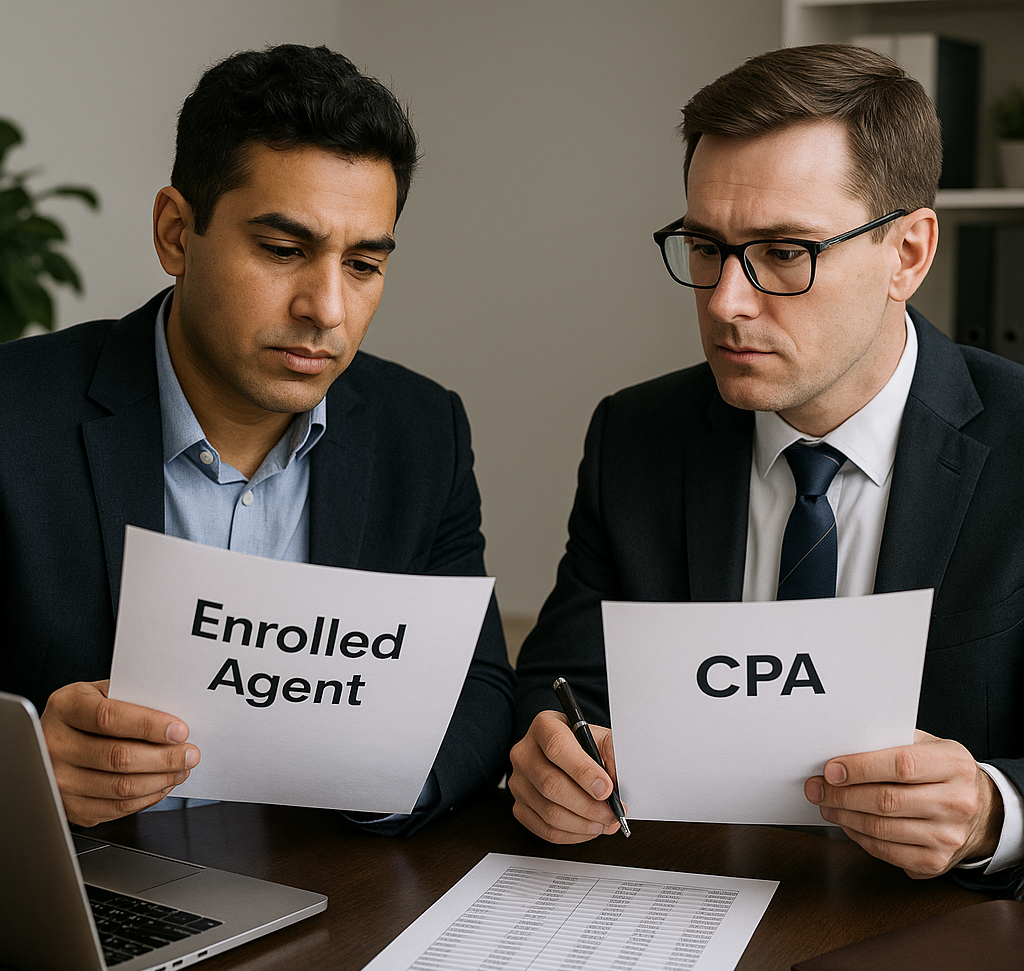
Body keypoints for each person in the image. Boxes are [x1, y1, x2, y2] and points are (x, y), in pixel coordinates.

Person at [510, 44, 1024, 897]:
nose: (725, 303)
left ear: (908, 253)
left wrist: (992, 814)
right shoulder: (637, 436)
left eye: (785, 252)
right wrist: (552, 755)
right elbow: (562, 681)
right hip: (676, 905)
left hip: (940, 936)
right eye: (706, 247)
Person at [0, 43, 515, 834]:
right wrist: (23, 765)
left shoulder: (423, 430)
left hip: (328, 885)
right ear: (177, 233)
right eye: (284, 251)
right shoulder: (13, 415)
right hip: (76, 890)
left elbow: (479, 687)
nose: (327, 309)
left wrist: (382, 781)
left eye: (365, 264)